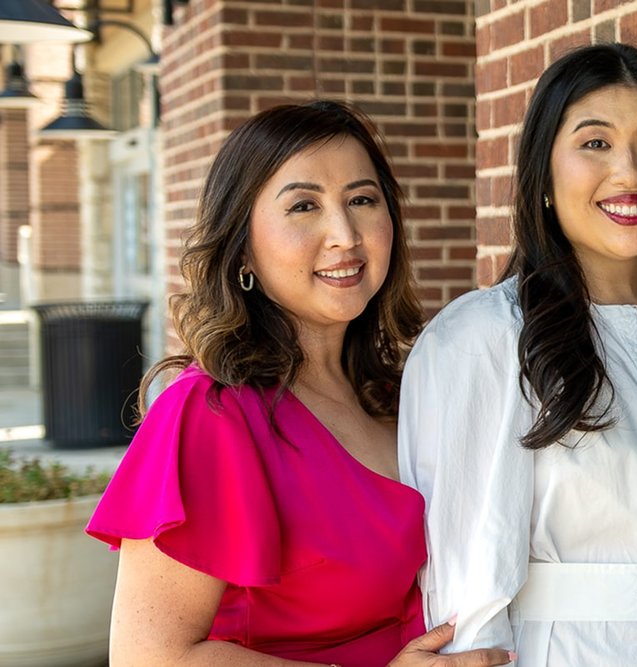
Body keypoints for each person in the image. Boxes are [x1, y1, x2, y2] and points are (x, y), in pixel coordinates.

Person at [85, 101, 509, 667]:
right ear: (242, 249)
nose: (344, 235)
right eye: (304, 206)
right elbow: (148, 658)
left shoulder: (399, 394)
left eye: (362, 200)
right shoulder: (210, 413)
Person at [398, 44, 637, 666]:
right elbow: (467, 584)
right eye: (594, 143)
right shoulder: (488, 337)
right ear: (543, 173)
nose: (629, 172)